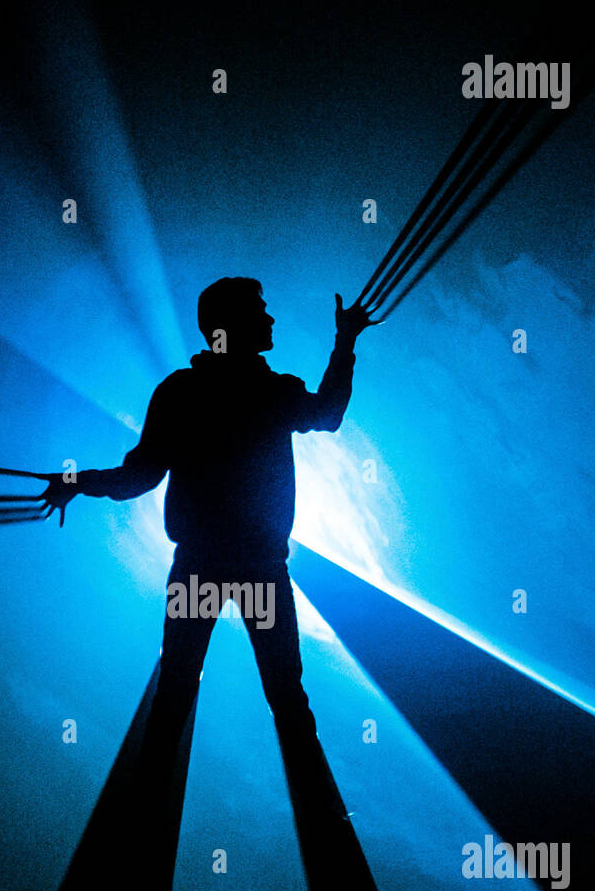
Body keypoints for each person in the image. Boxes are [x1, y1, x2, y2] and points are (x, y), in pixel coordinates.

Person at [42, 278, 376, 817]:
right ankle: (319, 811)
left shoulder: (186, 391)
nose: (270, 321)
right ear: (233, 324)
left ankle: (145, 807)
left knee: (181, 685)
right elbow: (328, 414)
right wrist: (344, 344)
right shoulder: (269, 392)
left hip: (202, 565)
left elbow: (140, 476)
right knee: (283, 695)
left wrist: (78, 482)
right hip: (256, 568)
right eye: (260, 312)